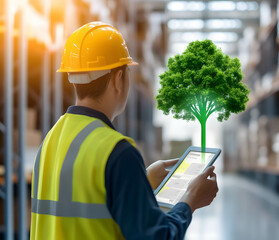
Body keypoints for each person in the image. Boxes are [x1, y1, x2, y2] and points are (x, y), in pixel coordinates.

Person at [30, 22, 218, 240]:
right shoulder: (117, 151)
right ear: (118, 78)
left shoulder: (50, 140)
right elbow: (160, 236)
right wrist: (190, 200)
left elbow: (82, 204)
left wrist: (141, 182)